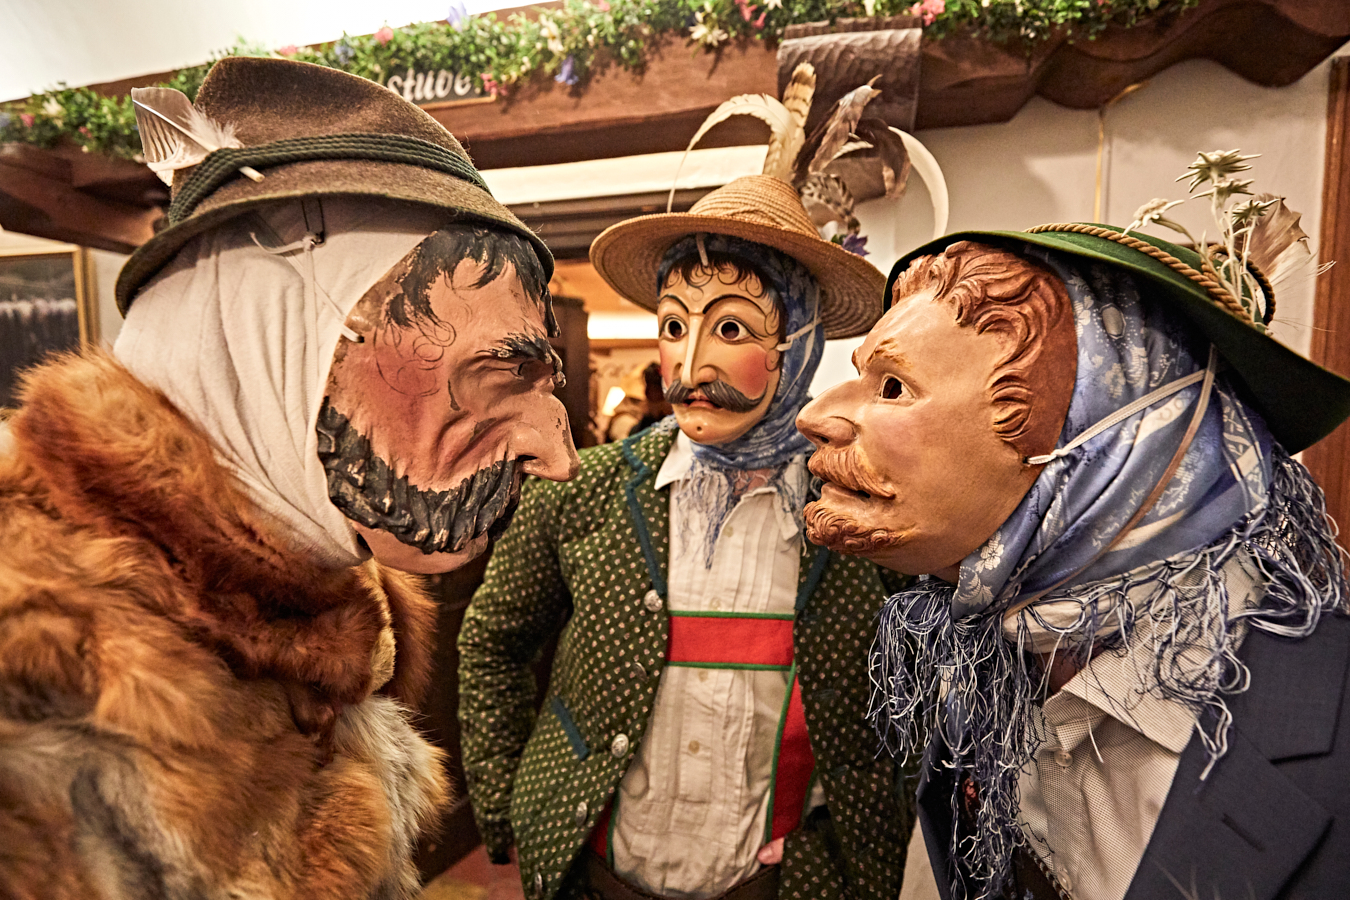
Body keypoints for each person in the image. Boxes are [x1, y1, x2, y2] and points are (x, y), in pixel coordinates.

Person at [0, 57, 577, 900]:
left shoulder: (342, 612)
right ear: (277, 329)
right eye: (495, 374)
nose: (558, 456)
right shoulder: (28, 660)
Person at [797, 226, 1350, 900]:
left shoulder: (1331, 731)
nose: (816, 415)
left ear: (1104, 442)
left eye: (891, 386)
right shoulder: (983, 656)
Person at [458, 174, 912, 900]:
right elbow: (493, 640)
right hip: (596, 878)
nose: (692, 364)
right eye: (673, 327)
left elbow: (918, 693)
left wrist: (867, 841)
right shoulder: (581, 491)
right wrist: (509, 802)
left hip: (782, 885)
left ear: (800, 341)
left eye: (731, 330)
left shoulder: (866, 513)